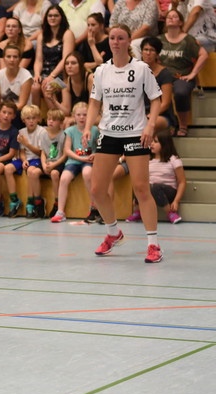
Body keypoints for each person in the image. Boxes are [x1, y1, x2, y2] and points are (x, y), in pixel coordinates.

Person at [83, 24, 163, 263]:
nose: (116, 42)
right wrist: (87, 127)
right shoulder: (101, 71)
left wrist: (150, 125)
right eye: (112, 38)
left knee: (141, 189)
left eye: (120, 38)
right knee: (97, 189)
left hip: (136, 133)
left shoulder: (141, 68)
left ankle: (153, 244)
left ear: (129, 41)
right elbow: (94, 103)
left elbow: (156, 99)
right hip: (109, 133)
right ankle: (113, 233)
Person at [120, 129, 186, 224]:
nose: (152, 144)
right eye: (151, 141)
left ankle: (170, 212)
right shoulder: (148, 159)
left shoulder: (173, 159)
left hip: (168, 191)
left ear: (165, 144)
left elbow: (182, 182)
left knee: (155, 187)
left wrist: (176, 201)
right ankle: (138, 211)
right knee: (140, 185)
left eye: (155, 142)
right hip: (151, 189)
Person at [160, 9, 209, 136]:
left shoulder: (188, 40)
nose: (171, 18)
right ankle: (170, 123)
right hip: (164, 77)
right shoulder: (159, 40)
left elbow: (203, 55)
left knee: (180, 92)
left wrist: (193, 74)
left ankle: (183, 125)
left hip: (182, 76)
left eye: (175, 16)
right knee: (159, 91)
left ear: (181, 22)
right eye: (168, 16)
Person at [50, 101, 96, 223]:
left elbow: (99, 148)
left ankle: (94, 207)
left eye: (85, 115)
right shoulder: (70, 131)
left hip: (89, 160)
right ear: (73, 116)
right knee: (64, 178)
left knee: (87, 173)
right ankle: (60, 211)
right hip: (74, 160)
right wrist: (81, 158)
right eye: (79, 115)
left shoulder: (95, 130)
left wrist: (94, 155)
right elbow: (67, 150)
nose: (82, 117)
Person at [32, 5, 74, 110]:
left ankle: (55, 116)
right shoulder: (42, 35)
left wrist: (52, 76)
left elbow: (65, 59)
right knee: (35, 87)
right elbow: (38, 60)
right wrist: (37, 74)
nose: (52, 18)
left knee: (48, 87)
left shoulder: (67, 34)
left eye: (56, 15)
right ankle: (36, 117)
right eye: (50, 16)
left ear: (61, 18)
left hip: (62, 76)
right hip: (45, 73)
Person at [16, 104, 48, 218]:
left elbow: (40, 152)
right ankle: (32, 202)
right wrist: (24, 160)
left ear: (38, 118)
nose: (31, 121)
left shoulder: (42, 131)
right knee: (26, 169)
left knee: (31, 171)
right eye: (28, 118)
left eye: (34, 118)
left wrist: (27, 144)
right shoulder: (21, 132)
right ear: (23, 120)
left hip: (39, 159)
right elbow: (22, 151)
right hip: (28, 160)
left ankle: (36, 201)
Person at [41, 109, 67, 219]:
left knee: (54, 173)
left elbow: (65, 155)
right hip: (47, 162)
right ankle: (36, 201)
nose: (51, 121)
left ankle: (57, 202)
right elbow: (43, 152)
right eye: (49, 119)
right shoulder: (43, 134)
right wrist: (43, 165)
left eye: (54, 120)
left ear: (60, 122)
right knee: (33, 172)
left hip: (59, 162)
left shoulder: (64, 135)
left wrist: (53, 165)